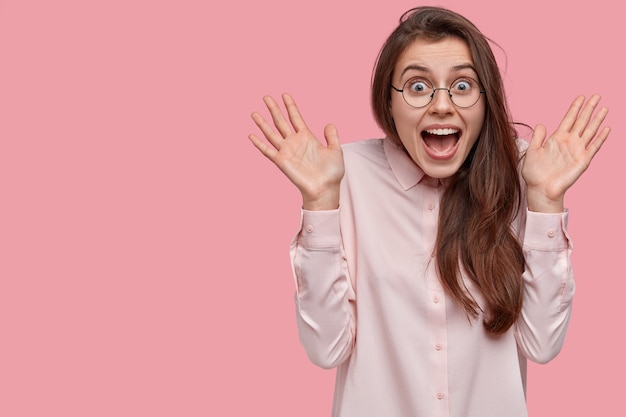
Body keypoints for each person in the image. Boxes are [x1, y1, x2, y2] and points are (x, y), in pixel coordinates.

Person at [248, 6, 610, 417]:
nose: (441, 105)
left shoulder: (527, 173)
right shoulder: (341, 175)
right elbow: (326, 349)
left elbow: (541, 344)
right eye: (418, 87)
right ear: (388, 100)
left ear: (485, 98)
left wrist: (545, 203)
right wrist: (319, 203)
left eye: (462, 85)